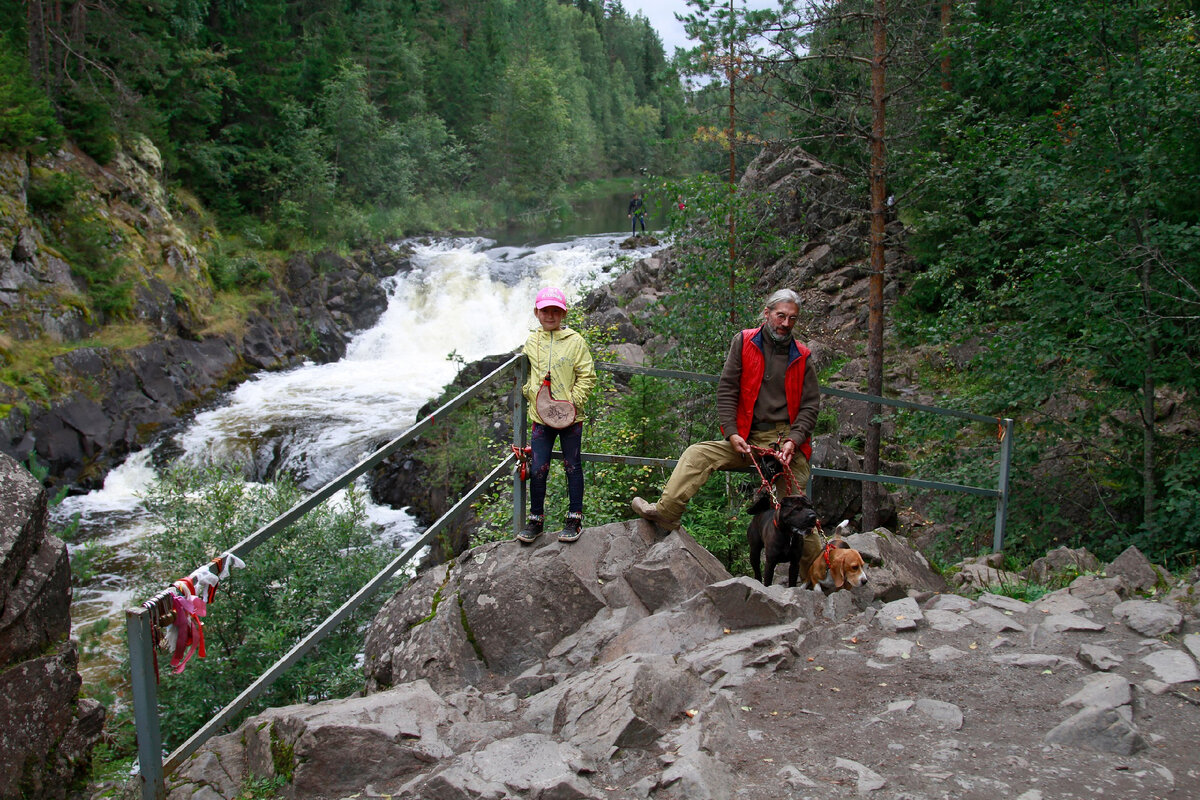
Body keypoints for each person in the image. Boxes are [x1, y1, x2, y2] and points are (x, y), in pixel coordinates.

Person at [631, 288, 821, 555]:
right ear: (767, 313)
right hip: (745, 438)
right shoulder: (744, 342)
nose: (786, 323)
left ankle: (821, 570)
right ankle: (666, 513)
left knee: (798, 508)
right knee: (697, 454)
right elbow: (727, 389)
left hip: (784, 443)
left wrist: (793, 440)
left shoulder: (802, 355)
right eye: (781, 316)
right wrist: (731, 433)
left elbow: (810, 406)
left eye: (792, 318)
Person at [518, 287, 597, 544]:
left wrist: (570, 404)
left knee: (572, 466)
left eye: (555, 311)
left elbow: (587, 376)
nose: (550, 315)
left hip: (570, 417)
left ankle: (574, 519)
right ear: (537, 312)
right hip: (541, 416)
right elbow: (528, 373)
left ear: (563, 314)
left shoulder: (576, 341)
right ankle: (536, 520)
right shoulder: (532, 341)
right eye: (545, 310)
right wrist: (530, 392)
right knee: (539, 468)